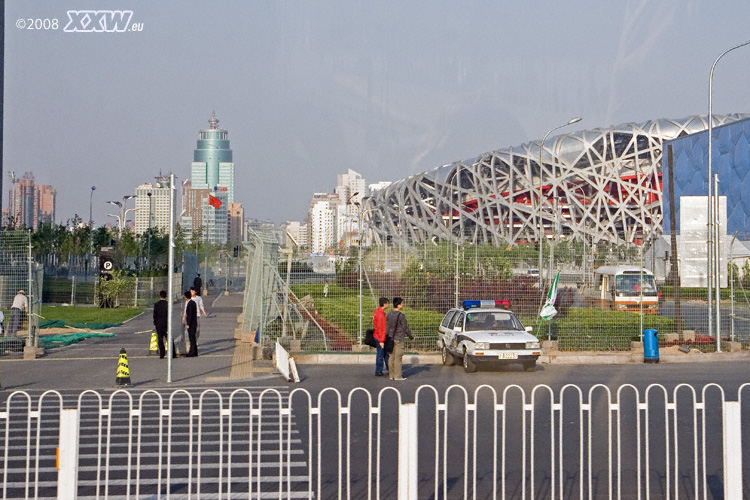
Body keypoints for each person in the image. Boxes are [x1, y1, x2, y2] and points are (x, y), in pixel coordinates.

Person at [386, 297, 413, 381]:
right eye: (402, 303)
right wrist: (411, 336)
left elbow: (386, 326)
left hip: (390, 338)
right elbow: (405, 328)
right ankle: (398, 376)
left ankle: (391, 375)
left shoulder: (389, 314)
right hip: (399, 338)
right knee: (398, 357)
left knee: (391, 357)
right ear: (398, 305)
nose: (403, 304)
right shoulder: (401, 316)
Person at [152, 290, 173, 359]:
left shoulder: (156, 304)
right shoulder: (168, 304)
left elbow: (155, 315)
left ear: (160, 296)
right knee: (169, 338)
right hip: (167, 324)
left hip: (159, 324)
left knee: (160, 340)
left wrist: (155, 323)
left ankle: (162, 354)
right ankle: (172, 352)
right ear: (166, 296)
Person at [372, 297, 390, 376]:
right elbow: (381, 328)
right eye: (387, 303)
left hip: (377, 336)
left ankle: (388, 368)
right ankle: (379, 370)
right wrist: (381, 340)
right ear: (384, 304)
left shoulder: (377, 312)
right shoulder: (381, 315)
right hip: (380, 337)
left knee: (384, 353)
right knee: (381, 354)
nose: (388, 305)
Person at [184, 291, 198, 357]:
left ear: (186, 297)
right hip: (194, 323)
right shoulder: (193, 303)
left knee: (191, 338)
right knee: (193, 338)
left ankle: (191, 352)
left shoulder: (189, 304)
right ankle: (195, 352)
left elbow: (190, 315)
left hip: (191, 324)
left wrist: (188, 324)